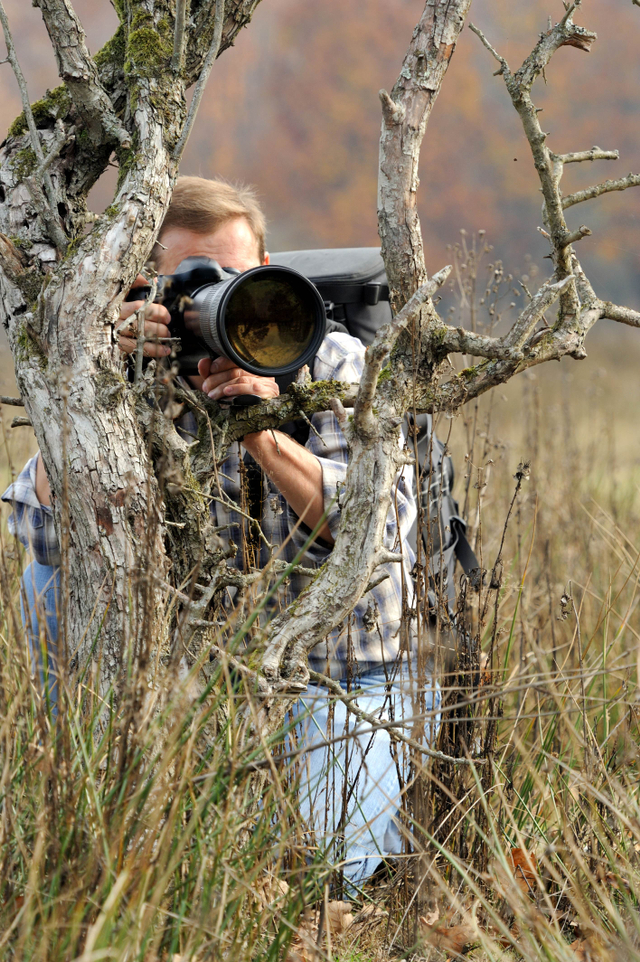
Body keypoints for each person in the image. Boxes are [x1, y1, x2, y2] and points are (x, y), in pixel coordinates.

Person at [2, 176, 438, 883]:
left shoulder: (336, 364)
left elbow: (375, 536)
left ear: (271, 270)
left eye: (239, 278)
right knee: (47, 586)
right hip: (193, 678)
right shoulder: (123, 373)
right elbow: (50, 541)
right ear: (143, 289)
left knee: (325, 871)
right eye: (192, 283)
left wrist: (263, 430)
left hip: (339, 674)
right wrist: (97, 383)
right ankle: (81, 786)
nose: (220, 302)